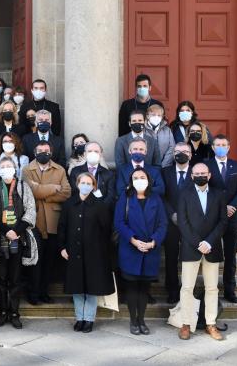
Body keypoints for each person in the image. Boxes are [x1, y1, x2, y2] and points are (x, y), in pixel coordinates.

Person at [176, 163, 228, 341]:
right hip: (191, 248)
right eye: (196, 173)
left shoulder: (219, 195)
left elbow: (223, 222)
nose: (200, 175)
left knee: (212, 288)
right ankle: (186, 324)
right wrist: (198, 243)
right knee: (187, 287)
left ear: (209, 175)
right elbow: (182, 222)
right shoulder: (184, 194)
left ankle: (210, 324)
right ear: (191, 176)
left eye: (203, 173)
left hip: (212, 248)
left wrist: (209, 241)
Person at [0, 156, 37, 329]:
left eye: (9, 166)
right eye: (3, 166)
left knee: (15, 278)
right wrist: (6, 230)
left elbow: (30, 210)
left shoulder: (23, 186)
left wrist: (17, 230)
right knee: (1, 279)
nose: (6, 168)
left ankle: (14, 313)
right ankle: (2, 312)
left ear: (15, 168)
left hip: (18, 238)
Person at [59, 172, 114, 333]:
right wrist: (62, 247)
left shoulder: (100, 205)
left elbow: (106, 230)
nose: (85, 185)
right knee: (77, 287)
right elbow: (62, 227)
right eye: (83, 182)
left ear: (93, 186)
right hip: (73, 252)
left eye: (89, 183)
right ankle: (79, 318)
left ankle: (89, 319)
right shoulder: (69, 204)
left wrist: (101, 250)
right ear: (77, 184)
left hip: (94, 253)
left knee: (91, 288)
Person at [115, 167, 167, 335]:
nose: (139, 179)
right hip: (130, 249)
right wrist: (133, 240)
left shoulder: (156, 198)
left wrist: (154, 242)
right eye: (135, 177)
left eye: (142, 177)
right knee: (131, 288)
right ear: (131, 181)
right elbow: (119, 222)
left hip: (150, 250)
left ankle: (142, 320)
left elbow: (163, 223)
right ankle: (133, 320)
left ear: (148, 179)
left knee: (144, 288)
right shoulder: (126, 197)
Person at [24, 141, 71, 304]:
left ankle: (44, 292)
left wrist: (42, 191)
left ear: (51, 152)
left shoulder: (60, 169)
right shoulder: (27, 169)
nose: (43, 153)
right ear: (34, 152)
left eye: (46, 150)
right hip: (34, 221)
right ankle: (33, 293)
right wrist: (53, 188)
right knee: (35, 260)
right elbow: (29, 191)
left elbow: (66, 193)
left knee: (49, 261)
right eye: (40, 150)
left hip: (53, 221)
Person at [206, 134, 237, 303]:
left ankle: (230, 290)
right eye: (218, 144)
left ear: (229, 147)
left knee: (231, 255)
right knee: (213, 255)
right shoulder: (206, 166)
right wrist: (220, 208)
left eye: (224, 144)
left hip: (232, 217)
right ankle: (211, 289)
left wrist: (232, 206)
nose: (221, 147)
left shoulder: (236, 166)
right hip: (213, 218)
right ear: (213, 147)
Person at [160, 142, 194, 303]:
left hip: (191, 222)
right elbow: (162, 196)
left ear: (191, 155)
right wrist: (172, 214)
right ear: (173, 154)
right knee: (171, 257)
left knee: (189, 258)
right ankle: (172, 289)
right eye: (178, 151)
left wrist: (186, 216)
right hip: (170, 221)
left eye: (185, 151)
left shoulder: (197, 173)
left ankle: (188, 290)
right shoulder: (165, 172)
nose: (182, 154)